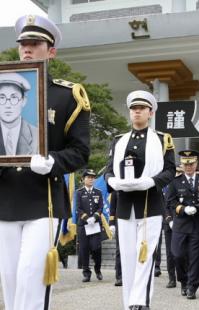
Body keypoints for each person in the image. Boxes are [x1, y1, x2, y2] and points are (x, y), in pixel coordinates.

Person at [0, 14, 90, 310]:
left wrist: (52, 161)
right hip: (6, 197)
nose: (26, 49)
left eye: (35, 43)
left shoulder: (66, 96)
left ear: (51, 51)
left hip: (44, 199)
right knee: (9, 277)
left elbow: (80, 152)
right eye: (23, 44)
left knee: (31, 274)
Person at [105, 90, 175, 310]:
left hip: (150, 203)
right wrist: (112, 182)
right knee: (127, 257)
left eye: (141, 108)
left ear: (150, 112)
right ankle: (129, 302)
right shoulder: (119, 140)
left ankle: (140, 302)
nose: (136, 112)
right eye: (133, 109)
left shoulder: (163, 139)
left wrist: (153, 182)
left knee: (145, 254)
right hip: (125, 204)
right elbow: (108, 171)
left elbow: (171, 170)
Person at [166, 150, 199, 300]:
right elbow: (170, 202)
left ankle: (192, 286)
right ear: (182, 165)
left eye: (191, 164)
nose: (188, 167)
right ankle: (183, 281)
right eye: (185, 164)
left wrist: (198, 208)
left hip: (197, 224)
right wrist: (183, 209)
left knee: (195, 257)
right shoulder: (175, 181)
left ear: (196, 164)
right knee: (177, 255)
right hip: (180, 224)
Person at [0, 73, 38, 155]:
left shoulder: (38, 136)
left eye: (14, 97)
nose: (7, 105)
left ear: (24, 100)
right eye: (2, 98)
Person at [76, 169, 104, 282]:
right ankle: (86, 273)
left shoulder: (98, 192)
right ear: (83, 179)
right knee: (84, 249)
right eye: (88, 177)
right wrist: (87, 218)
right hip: (83, 225)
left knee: (96, 248)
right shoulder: (79, 192)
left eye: (93, 177)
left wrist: (95, 217)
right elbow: (78, 208)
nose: (91, 179)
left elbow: (100, 207)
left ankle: (97, 269)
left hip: (95, 225)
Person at [109, 192, 122, 286]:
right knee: (120, 250)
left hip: (135, 221)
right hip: (120, 221)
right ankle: (119, 276)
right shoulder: (116, 187)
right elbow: (112, 207)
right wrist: (112, 223)